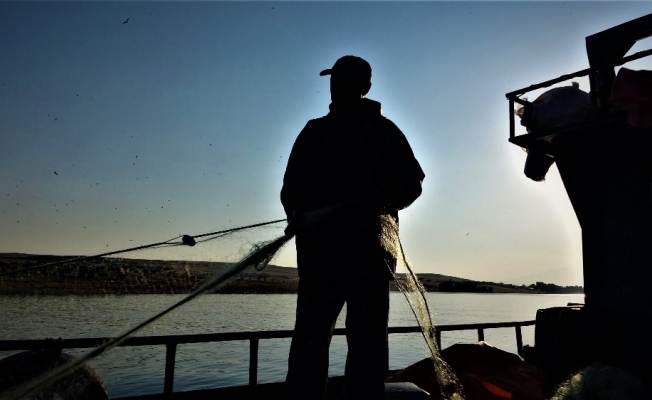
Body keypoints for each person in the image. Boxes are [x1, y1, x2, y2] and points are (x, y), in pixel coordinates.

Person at [281, 55, 425, 400]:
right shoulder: (317, 131)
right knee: (320, 345)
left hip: (365, 262)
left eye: (343, 80)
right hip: (327, 261)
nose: (336, 86)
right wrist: (298, 214)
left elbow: (412, 184)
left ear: (364, 87)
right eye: (335, 80)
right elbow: (291, 191)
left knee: (360, 347)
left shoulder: (383, 133)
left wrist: (376, 201)